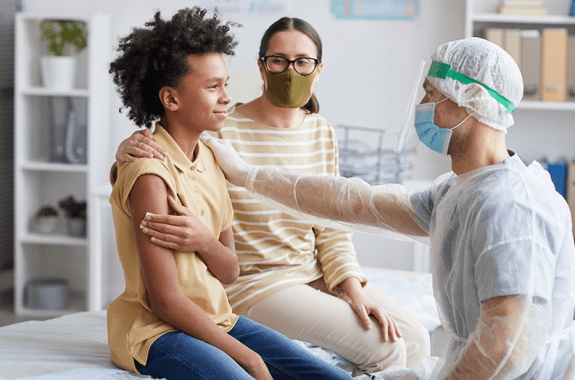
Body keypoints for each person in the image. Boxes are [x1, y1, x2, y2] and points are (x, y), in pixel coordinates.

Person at [200, 37, 575, 380]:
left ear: (472, 100)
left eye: (431, 94)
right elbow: (355, 202)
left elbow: (504, 349)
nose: (422, 106)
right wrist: (247, 174)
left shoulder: (510, 206)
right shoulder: (463, 191)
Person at [111, 16, 430, 375]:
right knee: (386, 347)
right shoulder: (219, 133)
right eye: (278, 60)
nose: (290, 72)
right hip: (257, 282)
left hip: (307, 273)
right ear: (262, 67)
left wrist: (350, 287)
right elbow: (168, 148)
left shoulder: (319, 132)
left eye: (303, 62)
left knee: (416, 339)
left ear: (318, 69)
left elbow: (332, 226)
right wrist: (127, 147)